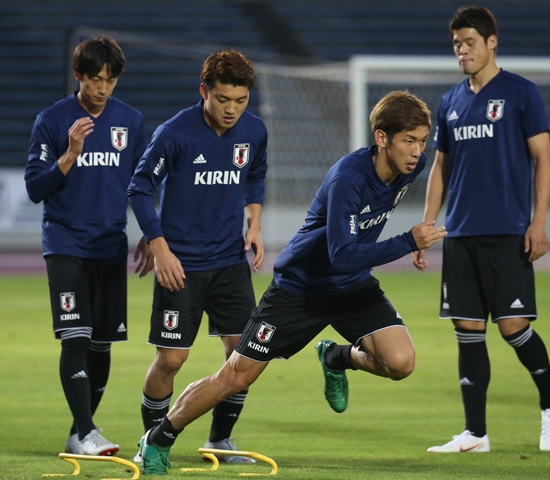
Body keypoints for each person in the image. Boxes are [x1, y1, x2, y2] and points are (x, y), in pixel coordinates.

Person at [136, 90, 447, 475]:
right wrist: (408, 242)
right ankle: (159, 439)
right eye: (408, 141)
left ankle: (337, 356)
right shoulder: (348, 180)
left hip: (351, 286)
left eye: (422, 141)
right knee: (236, 375)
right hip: (299, 290)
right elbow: (341, 254)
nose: (417, 151)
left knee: (401, 362)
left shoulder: (410, 168)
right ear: (382, 138)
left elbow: (351, 260)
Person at [412, 6, 550, 452]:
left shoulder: (520, 93)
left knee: (513, 326)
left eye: (470, 43)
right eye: (457, 44)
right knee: (467, 329)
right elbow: (440, 167)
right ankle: (475, 434)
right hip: (460, 232)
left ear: (491, 42)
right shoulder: (450, 103)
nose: (462, 51)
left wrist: (538, 221)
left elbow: (544, 160)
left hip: (508, 230)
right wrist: (428, 223)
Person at [127, 49, 267, 465]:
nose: (232, 109)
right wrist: (159, 245)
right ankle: (150, 441)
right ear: (204, 91)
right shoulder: (175, 133)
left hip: (229, 262)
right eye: (223, 99)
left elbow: (255, 174)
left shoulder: (254, 131)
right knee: (172, 359)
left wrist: (254, 225)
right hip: (181, 266)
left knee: (243, 356)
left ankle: (220, 441)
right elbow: (139, 188)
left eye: (241, 101)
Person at [24, 35, 151, 456]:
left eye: (110, 81)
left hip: (110, 247)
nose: (102, 89)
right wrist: (70, 153)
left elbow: (144, 185)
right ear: (78, 75)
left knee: (101, 343)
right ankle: (87, 429)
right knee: (74, 338)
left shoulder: (130, 122)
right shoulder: (53, 120)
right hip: (66, 244)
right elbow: (35, 188)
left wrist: (154, 234)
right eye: (95, 79)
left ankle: (80, 435)